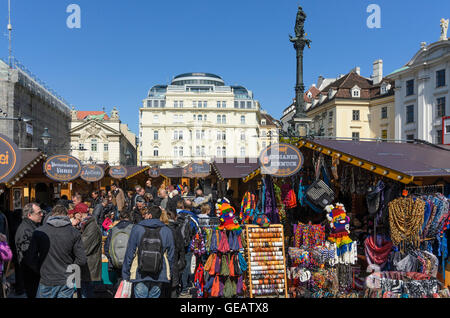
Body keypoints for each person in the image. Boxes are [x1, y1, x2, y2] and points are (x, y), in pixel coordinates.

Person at [27, 205, 87, 298]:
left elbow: (31, 258)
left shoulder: (39, 231)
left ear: (52, 214)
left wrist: (40, 270)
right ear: (67, 215)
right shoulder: (74, 232)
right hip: (66, 279)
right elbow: (82, 259)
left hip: (48, 278)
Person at [122, 206, 175, 298]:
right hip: (159, 272)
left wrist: (126, 272)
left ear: (149, 215)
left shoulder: (137, 228)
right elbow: (171, 254)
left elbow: (130, 251)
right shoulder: (166, 230)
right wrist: (169, 271)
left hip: (139, 271)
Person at [14, 203, 43, 298]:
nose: (41, 214)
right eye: (39, 213)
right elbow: (28, 255)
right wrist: (40, 270)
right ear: (29, 215)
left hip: (33, 274)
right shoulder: (26, 229)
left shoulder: (32, 226)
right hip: (31, 274)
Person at [104, 210, 133, 290]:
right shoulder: (133, 228)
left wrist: (112, 259)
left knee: (118, 282)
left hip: (116, 263)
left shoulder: (113, 229)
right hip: (129, 262)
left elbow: (106, 247)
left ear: (120, 218)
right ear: (129, 218)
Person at [78, 205, 102, 298]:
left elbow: (84, 247)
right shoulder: (85, 225)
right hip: (85, 265)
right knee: (83, 291)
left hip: (89, 266)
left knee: (86, 292)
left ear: (79, 214)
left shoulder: (91, 227)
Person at [176, 200, 199, 296]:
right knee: (186, 265)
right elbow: (197, 232)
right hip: (188, 245)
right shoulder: (193, 218)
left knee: (176, 263)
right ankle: (184, 288)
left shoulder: (177, 216)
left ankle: (177, 285)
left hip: (177, 243)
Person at [163, 210, 185, 298]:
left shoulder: (162, 230)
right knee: (172, 289)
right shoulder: (176, 229)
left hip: (163, 263)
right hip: (174, 261)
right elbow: (180, 247)